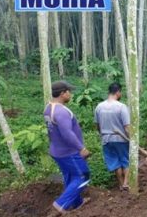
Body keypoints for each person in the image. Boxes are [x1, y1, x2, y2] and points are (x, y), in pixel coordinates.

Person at [44, 81, 90, 214]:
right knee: (83, 176)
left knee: (70, 176)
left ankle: (77, 203)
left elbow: (51, 132)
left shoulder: (48, 108)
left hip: (56, 150)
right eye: (69, 91)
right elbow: (67, 133)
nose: (71, 94)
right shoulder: (61, 112)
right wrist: (81, 148)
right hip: (68, 152)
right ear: (63, 93)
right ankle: (60, 205)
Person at [95, 83, 130, 191]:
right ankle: (126, 183)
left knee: (115, 162)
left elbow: (97, 125)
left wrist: (102, 135)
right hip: (121, 139)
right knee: (125, 161)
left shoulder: (99, 106)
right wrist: (131, 139)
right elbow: (127, 127)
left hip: (106, 139)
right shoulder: (121, 107)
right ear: (118, 92)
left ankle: (120, 185)